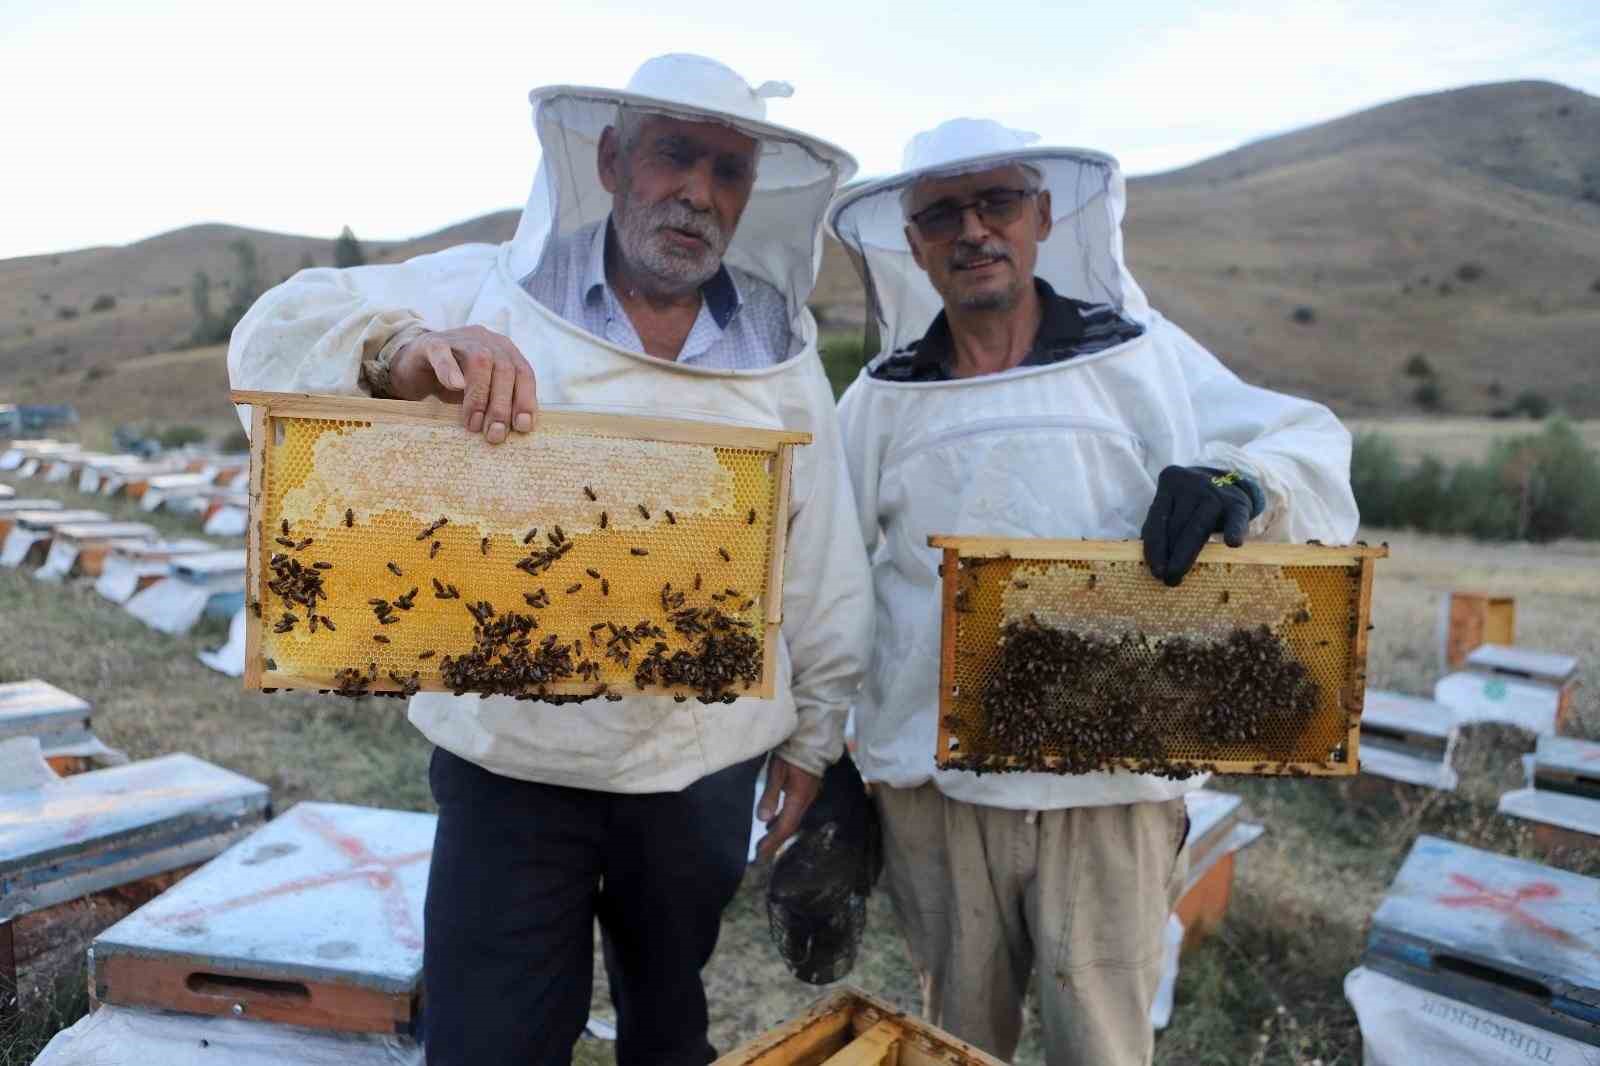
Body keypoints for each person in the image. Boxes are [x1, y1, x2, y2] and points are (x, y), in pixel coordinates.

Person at [228, 54, 871, 1066]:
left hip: (697, 768)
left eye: (727, 170)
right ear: (612, 160)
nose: (697, 192)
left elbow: (822, 553)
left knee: (669, 1021)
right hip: (510, 766)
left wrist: (813, 738)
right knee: (489, 1040)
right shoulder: (490, 285)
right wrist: (401, 349)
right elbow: (273, 330)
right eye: (673, 155)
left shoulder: (780, 350)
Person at [831, 119, 1359, 1066]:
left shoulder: (1143, 356)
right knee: (951, 1040)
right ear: (913, 243)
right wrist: (828, 757)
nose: (973, 230)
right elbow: (829, 572)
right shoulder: (881, 397)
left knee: (1102, 1048)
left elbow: (1308, 440)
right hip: (937, 790)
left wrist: (1241, 480)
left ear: (1040, 215)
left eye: (997, 202)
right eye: (942, 213)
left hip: (1114, 790)